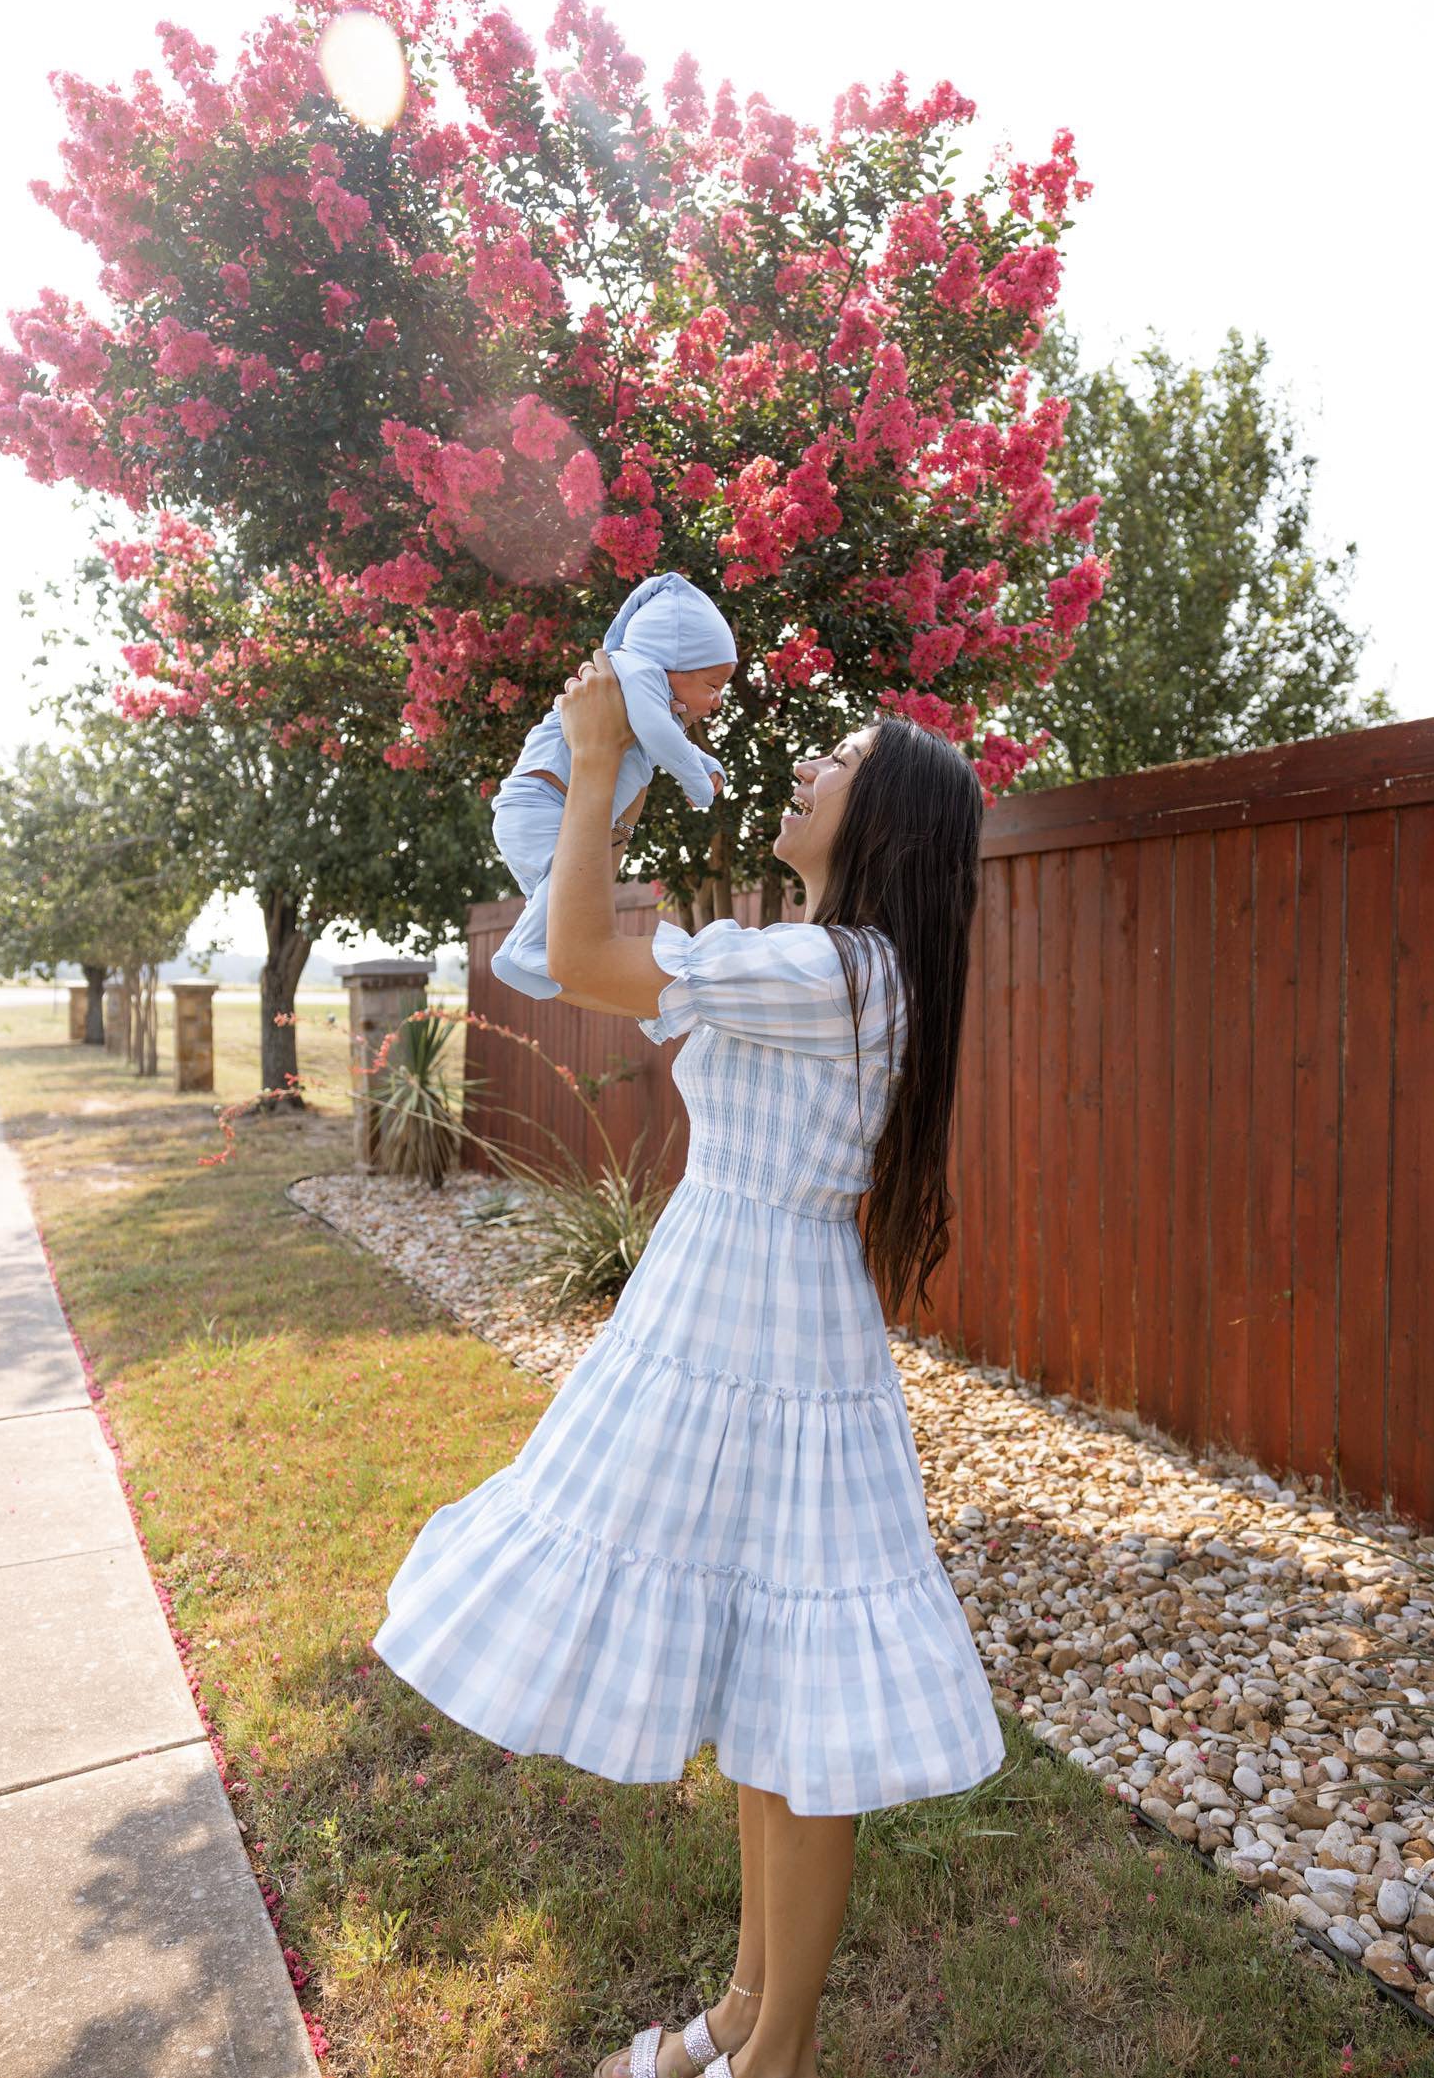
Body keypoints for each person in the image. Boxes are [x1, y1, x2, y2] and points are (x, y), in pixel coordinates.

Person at [371, 648, 1007, 2078]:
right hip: (743, 1306)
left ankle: (773, 2054)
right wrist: (585, 791)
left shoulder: (831, 969)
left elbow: (591, 961)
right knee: (771, 1685)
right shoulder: (827, 964)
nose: (808, 768)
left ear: (884, 817)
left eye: (837, 758)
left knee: (801, 1707)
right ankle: (740, 2015)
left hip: (759, 1323)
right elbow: (592, 951)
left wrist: (599, 762)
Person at [488, 571, 736, 1000]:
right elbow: (660, 737)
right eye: (713, 686)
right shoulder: (637, 674)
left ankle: (536, 944)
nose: (716, 702)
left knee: (573, 891)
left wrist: (706, 763)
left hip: (551, 811)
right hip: (538, 805)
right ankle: (527, 948)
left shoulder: (646, 691)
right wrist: (697, 783)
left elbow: (666, 738)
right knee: (571, 887)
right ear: (671, 664)